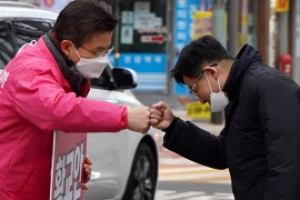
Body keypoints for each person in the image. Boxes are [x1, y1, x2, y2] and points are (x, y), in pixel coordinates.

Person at [0, 1, 150, 199]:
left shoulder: (62, 71)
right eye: (97, 52)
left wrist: (68, 162)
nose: (102, 59)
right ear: (68, 46)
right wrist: (124, 116)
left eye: (106, 51)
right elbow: (58, 110)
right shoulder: (32, 71)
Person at [150, 35, 300, 200]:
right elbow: (224, 153)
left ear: (212, 73)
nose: (200, 99)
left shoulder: (269, 86)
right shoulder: (240, 93)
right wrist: (173, 127)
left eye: (195, 89)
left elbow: (288, 162)